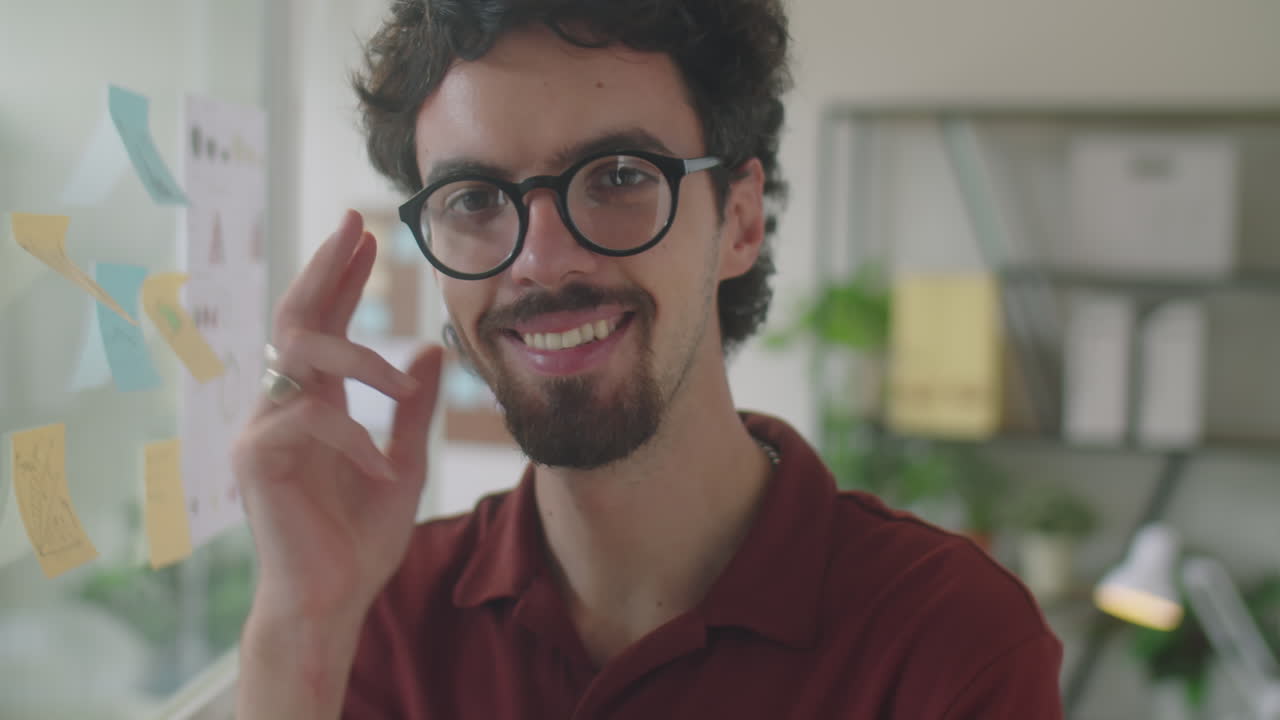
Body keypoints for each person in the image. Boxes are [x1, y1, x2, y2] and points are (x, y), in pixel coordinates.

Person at [233, 1, 1064, 718]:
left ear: (739, 221)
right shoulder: (379, 617)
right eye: (476, 200)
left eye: (619, 176)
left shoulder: (947, 643)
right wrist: (299, 628)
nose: (541, 261)